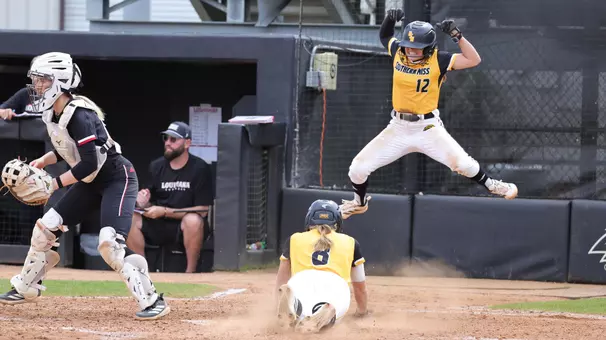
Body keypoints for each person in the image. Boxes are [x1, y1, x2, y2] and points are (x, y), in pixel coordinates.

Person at [0, 52, 170, 320]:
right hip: (90, 181)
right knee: (46, 228)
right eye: (36, 80)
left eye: (43, 80)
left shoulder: (80, 114)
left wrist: (55, 183)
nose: (37, 86)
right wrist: (44, 161)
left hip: (116, 176)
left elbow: (90, 162)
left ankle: (152, 300)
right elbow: (67, 149)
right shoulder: (51, 112)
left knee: (108, 244)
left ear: (60, 82)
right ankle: (27, 286)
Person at [339, 10, 518, 219]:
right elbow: (385, 37)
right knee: (357, 169)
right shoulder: (399, 51)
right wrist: (389, 19)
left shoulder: (438, 60)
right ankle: (359, 203)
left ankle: (493, 185)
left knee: (463, 164)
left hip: (427, 128)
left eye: (417, 48)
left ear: (429, 48)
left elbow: (473, 59)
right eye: (409, 45)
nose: (411, 51)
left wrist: (457, 36)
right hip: (397, 128)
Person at [127, 121, 214, 273]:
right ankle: (141, 272)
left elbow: (203, 210)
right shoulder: (156, 166)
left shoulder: (200, 168)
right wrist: (143, 203)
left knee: (193, 220)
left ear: (187, 143)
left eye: (173, 140)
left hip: (184, 226)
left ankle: (190, 273)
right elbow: (148, 202)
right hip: (159, 223)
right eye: (166, 139)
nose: (168, 143)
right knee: (129, 217)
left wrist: (166, 211)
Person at [275, 199, 369, 333]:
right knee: (334, 307)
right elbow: (360, 288)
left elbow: (282, 278)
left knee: (301, 305)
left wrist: (276, 304)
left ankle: (294, 305)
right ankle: (325, 314)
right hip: (336, 285)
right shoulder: (351, 242)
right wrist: (362, 311)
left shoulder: (294, 239)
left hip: (301, 281)